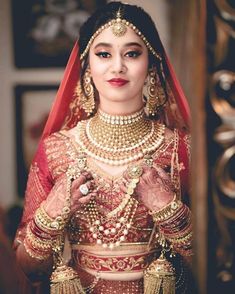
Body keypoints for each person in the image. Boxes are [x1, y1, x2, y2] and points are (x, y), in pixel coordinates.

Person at [14, 2, 193, 293]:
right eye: (104, 54)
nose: (118, 66)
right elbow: (27, 267)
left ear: (151, 64)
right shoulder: (56, 150)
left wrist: (168, 209)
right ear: (87, 66)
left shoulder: (180, 149)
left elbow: (218, 258)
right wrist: (51, 213)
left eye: (132, 53)